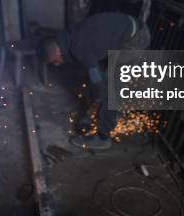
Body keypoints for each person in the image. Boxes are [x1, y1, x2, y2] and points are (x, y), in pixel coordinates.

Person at [40, 12, 151, 150]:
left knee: (111, 88)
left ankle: (103, 137)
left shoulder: (79, 48)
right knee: (98, 79)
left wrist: (97, 101)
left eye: (54, 61)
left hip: (135, 40)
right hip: (126, 31)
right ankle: (98, 113)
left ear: (57, 53)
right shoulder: (67, 37)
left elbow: (97, 82)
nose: (56, 64)